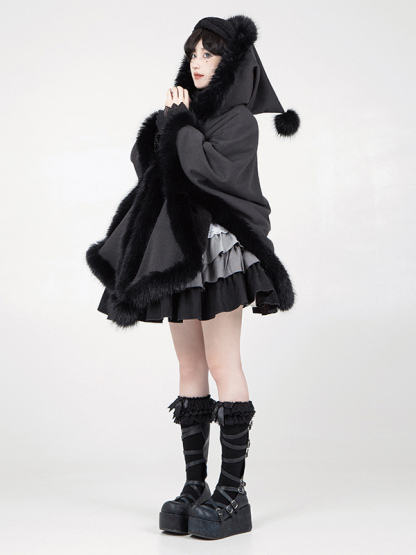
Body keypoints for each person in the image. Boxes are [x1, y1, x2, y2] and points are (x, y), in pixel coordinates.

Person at [86, 14, 300, 540]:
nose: (198, 63)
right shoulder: (188, 112)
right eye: (194, 53)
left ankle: (233, 493)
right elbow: (151, 170)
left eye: (210, 54)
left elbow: (207, 170)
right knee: (189, 365)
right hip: (181, 250)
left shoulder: (241, 122)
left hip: (221, 252)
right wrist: (166, 123)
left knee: (224, 362)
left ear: (231, 63)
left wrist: (179, 125)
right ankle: (195, 486)